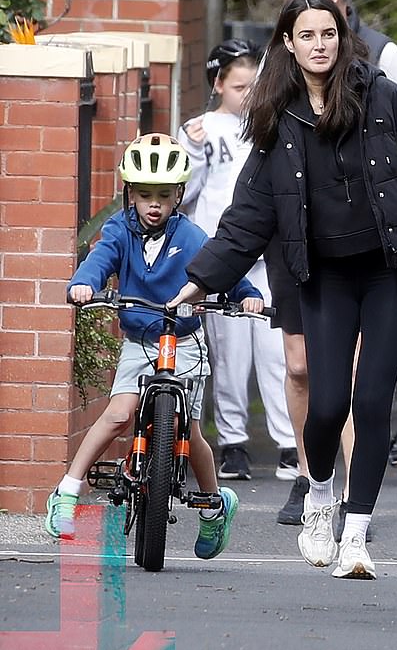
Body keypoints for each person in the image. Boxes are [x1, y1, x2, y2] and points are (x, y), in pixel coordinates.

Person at [168, 0, 397, 580]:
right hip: (324, 274)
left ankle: (355, 536)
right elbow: (251, 210)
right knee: (327, 404)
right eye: (307, 35)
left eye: (328, 33)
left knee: (371, 399)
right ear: (288, 43)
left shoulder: (382, 98)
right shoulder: (278, 118)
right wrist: (203, 279)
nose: (320, 44)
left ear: (342, 36)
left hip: (390, 272)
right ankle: (319, 498)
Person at [45, 133, 264, 561]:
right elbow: (99, 259)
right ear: (130, 193)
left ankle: (214, 506)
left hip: (185, 341)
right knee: (118, 415)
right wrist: (85, 284)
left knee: (193, 432)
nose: (154, 205)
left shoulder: (192, 235)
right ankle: (67, 491)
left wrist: (247, 293)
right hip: (140, 341)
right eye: (145, 195)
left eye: (164, 196)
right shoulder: (118, 232)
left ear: (179, 194)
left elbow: (222, 267)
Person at [270, 0, 397, 528]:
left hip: (369, 248)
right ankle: (312, 479)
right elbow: (264, 150)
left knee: (358, 376)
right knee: (302, 366)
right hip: (299, 241)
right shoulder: (280, 52)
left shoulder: (383, 58)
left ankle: (358, 493)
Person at [178, 40, 298, 482]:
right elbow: (184, 195)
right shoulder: (200, 129)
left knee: (277, 353)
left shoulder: (270, 125)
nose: (247, 94)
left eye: (253, 85)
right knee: (229, 357)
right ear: (219, 85)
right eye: (239, 86)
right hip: (222, 255)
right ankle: (233, 444)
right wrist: (190, 151)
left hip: (267, 256)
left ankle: (288, 442)